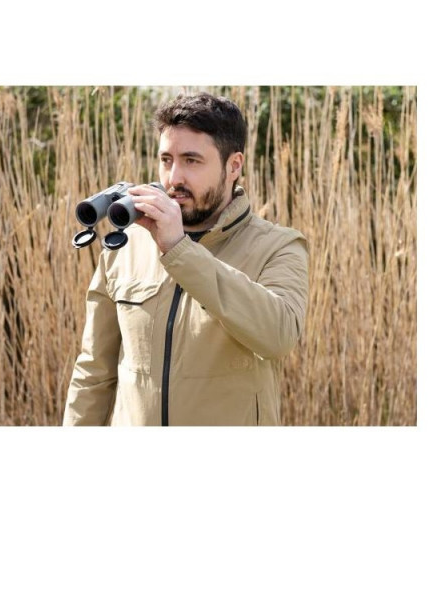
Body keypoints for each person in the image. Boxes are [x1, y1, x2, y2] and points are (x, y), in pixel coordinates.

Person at [63, 92, 309, 426]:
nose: (174, 178)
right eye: (166, 160)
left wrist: (179, 248)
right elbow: (94, 371)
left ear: (234, 165)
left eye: (191, 161)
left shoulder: (280, 246)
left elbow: (278, 336)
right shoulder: (127, 245)